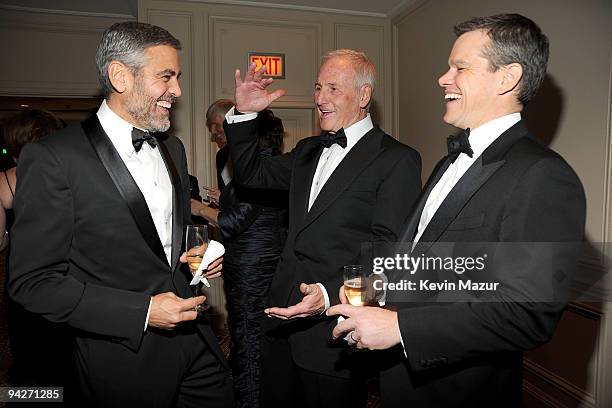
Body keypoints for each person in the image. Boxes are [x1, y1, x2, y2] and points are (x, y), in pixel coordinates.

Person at [327, 14, 586, 408]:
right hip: (404, 383)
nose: (443, 78)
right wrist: (366, 288)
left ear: (507, 78)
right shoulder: (448, 163)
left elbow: (526, 312)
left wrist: (401, 327)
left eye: (459, 67)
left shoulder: (544, 175)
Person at [7, 22, 233, 407]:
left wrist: (197, 257)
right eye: (166, 76)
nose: (177, 91)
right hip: (123, 360)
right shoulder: (55, 158)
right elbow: (32, 283)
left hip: (197, 342)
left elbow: (167, 239)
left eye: (178, 77)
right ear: (120, 75)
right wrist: (142, 312)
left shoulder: (172, 148)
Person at [224, 49, 421, 407]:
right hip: (280, 319)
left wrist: (328, 295)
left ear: (363, 96)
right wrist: (244, 116)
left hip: (334, 331)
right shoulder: (307, 150)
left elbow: (388, 252)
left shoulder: (396, 159)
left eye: (332, 88)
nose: (319, 98)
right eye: (318, 87)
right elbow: (251, 175)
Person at [192, 108, 288, 408]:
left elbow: (234, 222)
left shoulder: (265, 169)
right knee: (246, 339)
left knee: (251, 342)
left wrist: (196, 208)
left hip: (255, 271)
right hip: (246, 267)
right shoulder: (260, 167)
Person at [0, 110, 69, 388]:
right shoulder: (70, 174)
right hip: (67, 279)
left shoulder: (4, 180)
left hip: (23, 282)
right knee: (68, 361)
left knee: (29, 365)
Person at [207, 99, 234, 203]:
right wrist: (221, 197)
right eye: (210, 126)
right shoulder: (221, 156)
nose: (213, 131)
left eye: (216, 124)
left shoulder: (250, 150)